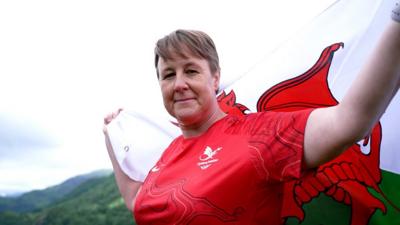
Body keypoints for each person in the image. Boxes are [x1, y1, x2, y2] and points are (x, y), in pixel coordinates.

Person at [103, 3, 400, 225]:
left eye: (191, 71)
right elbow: (138, 201)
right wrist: (112, 140)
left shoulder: (258, 135)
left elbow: (349, 122)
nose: (179, 84)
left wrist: (397, 22)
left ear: (215, 78)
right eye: (167, 75)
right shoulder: (167, 155)